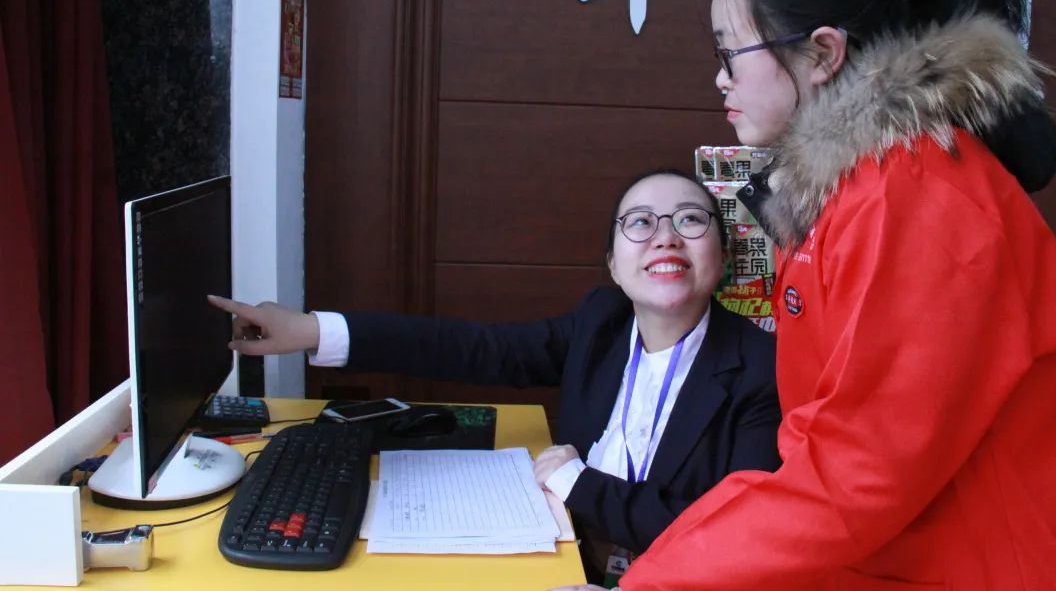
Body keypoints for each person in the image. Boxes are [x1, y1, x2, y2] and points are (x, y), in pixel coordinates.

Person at [554, 0, 1056, 591]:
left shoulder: (915, 195)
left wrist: (649, 584)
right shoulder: (853, 187)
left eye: (730, 53)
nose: (720, 80)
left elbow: (861, 469)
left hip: (984, 562)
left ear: (824, 53)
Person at [209, 169, 782, 583]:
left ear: (724, 255)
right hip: (562, 561)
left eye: (691, 219)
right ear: (613, 263)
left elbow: (733, 536)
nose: (665, 236)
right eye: (640, 223)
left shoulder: (762, 369)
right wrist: (312, 331)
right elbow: (479, 349)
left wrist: (579, 484)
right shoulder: (601, 322)